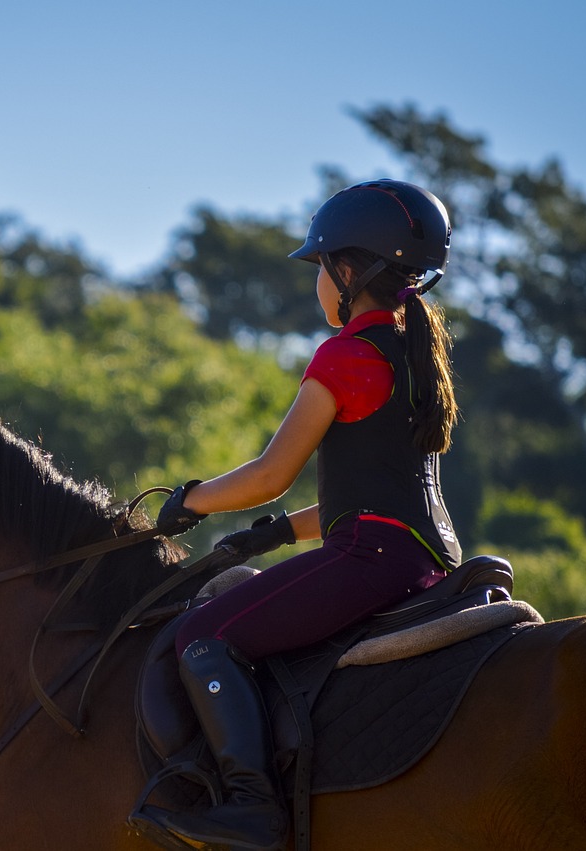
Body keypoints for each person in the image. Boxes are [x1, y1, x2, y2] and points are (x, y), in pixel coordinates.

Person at [134, 179, 463, 851]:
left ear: (347, 271)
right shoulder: (418, 355)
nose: (316, 282)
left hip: (371, 561)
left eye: (319, 267)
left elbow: (267, 474)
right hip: (429, 559)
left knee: (202, 637)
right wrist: (283, 530)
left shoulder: (345, 355)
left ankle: (254, 809)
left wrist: (186, 500)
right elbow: (377, 493)